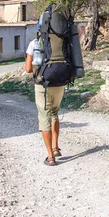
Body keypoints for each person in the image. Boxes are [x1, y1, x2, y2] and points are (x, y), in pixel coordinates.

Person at [24, 37, 66, 167]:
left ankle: (50, 156)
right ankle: (56, 147)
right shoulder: (61, 41)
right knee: (54, 113)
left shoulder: (35, 43)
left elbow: (28, 69)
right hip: (60, 83)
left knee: (44, 116)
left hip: (42, 85)